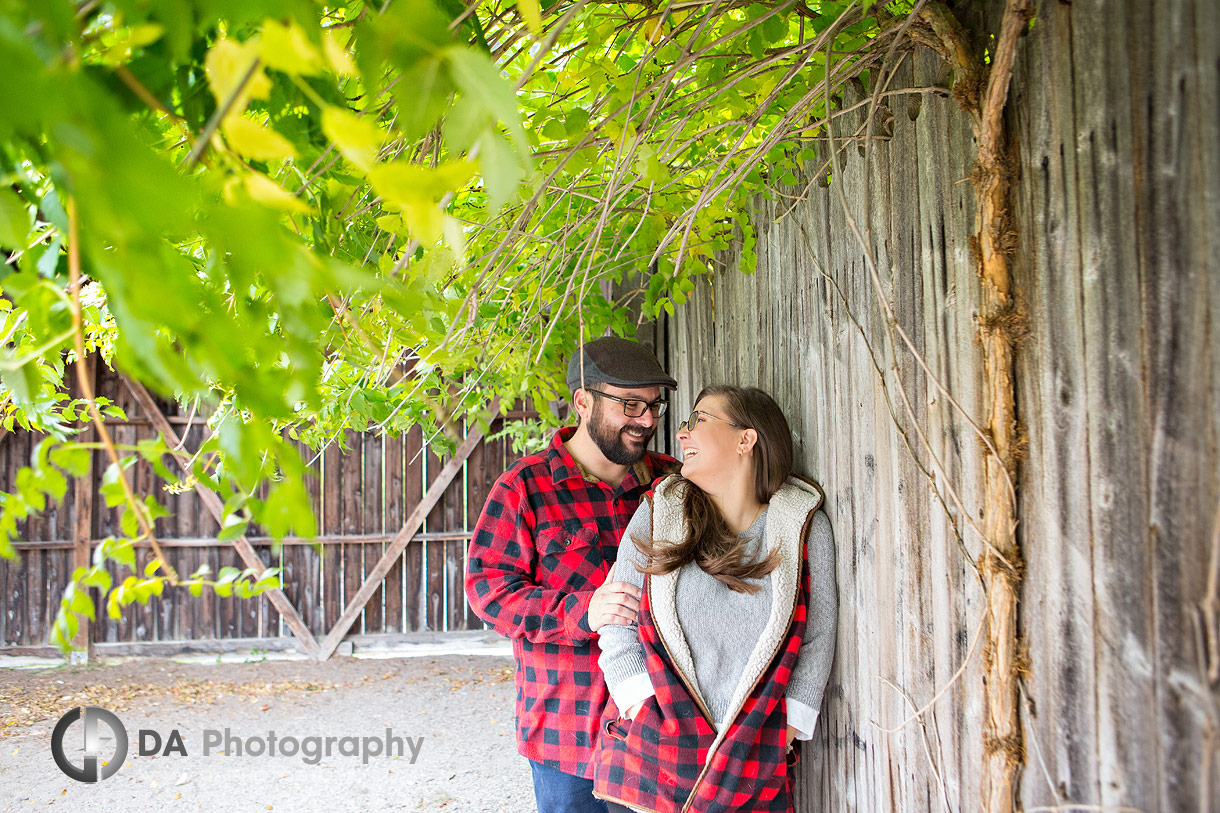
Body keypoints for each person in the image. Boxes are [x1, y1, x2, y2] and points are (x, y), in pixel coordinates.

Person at [593, 385, 837, 813]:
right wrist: (639, 703)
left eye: (699, 421)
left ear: (747, 439)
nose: (682, 434)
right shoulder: (658, 512)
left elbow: (818, 635)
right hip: (655, 764)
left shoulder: (801, 527)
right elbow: (619, 617)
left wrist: (787, 729)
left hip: (751, 765)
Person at [466, 336, 681, 813]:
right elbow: (489, 592)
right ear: (583, 402)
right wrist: (584, 611)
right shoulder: (525, 487)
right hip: (566, 730)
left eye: (652, 406)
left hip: (653, 720)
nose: (646, 420)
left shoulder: (673, 484)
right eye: (630, 404)